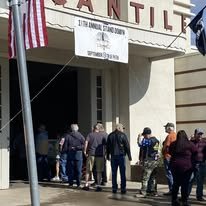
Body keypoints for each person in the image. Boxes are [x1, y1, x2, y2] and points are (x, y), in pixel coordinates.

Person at [169, 130, 197, 206]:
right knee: (185, 185)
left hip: (175, 166)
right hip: (187, 167)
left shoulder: (173, 144)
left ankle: (174, 201)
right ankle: (184, 201)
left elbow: (169, 152)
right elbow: (195, 152)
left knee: (176, 184)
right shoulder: (190, 144)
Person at [106, 123, 132, 194]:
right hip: (121, 156)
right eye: (122, 128)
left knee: (114, 173)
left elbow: (107, 146)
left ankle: (114, 187)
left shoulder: (110, 135)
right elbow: (127, 146)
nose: (123, 130)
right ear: (119, 128)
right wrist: (129, 156)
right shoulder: (123, 135)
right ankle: (123, 188)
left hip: (113, 156)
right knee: (122, 172)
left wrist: (107, 155)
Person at [83, 123, 107, 192]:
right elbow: (105, 145)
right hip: (100, 155)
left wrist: (85, 151)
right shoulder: (102, 135)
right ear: (98, 129)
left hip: (91, 154)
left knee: (88, 170)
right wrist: (105, 153)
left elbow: (86, 142)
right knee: (99, 171)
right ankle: (98, 186)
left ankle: (86, 184)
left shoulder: (90, 134)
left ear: (93, 128)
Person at [137, 127, 159, 197]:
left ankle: (143, 192)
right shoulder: (156, 140)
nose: (144, 136)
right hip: (154, 161)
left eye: (144, 135)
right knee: (153, 177)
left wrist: (139, 138)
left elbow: (141, 144)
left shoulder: (151, 141)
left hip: (149, 161)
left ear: (147, 134)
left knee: (145, 177)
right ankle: (152, 191)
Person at [188, 128, 206, 201]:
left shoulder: (204, 143)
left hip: (201, 164)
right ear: (195, 134)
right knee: (189, 180)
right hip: (192, 164)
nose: (200, 136)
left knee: (200, 181)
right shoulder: (191, 142)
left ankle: (199, 196)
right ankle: (186, 195)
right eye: (198, 134)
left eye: (201, 134)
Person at [162, 122, 176, 195]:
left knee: (169, 173)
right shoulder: (176, 135)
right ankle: (175, 189)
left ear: (169, 128)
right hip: (174, 157)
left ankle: (172, 190)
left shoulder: (169, 136)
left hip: (168, 156)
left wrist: (163, 151)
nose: (165, 129)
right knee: (173, 174)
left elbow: (166, 147)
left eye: (166, 127)